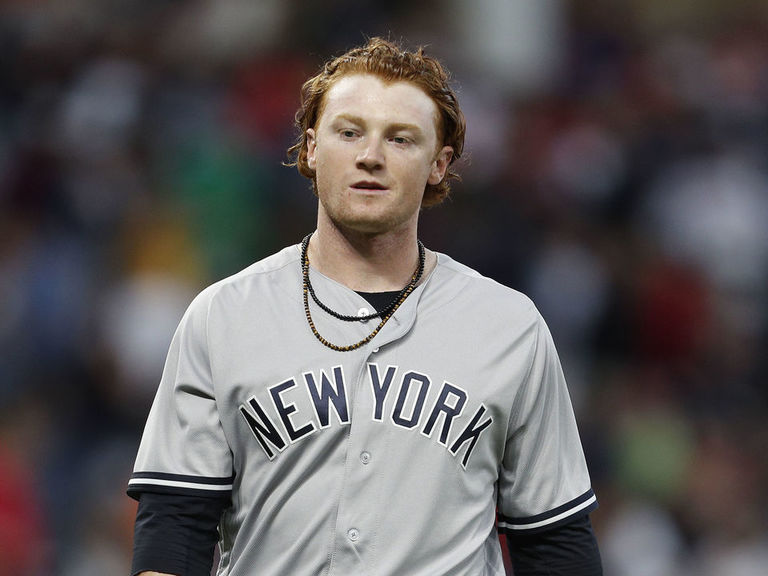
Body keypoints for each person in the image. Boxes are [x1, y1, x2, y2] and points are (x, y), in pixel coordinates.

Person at [127, 37, 602, 576]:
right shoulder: (223, 316)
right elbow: (174, 527)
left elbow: (556, 542)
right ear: (310, 148)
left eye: (401, 139)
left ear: (438, 165)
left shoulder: (510, 328)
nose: (370, 156)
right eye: (349, 132)